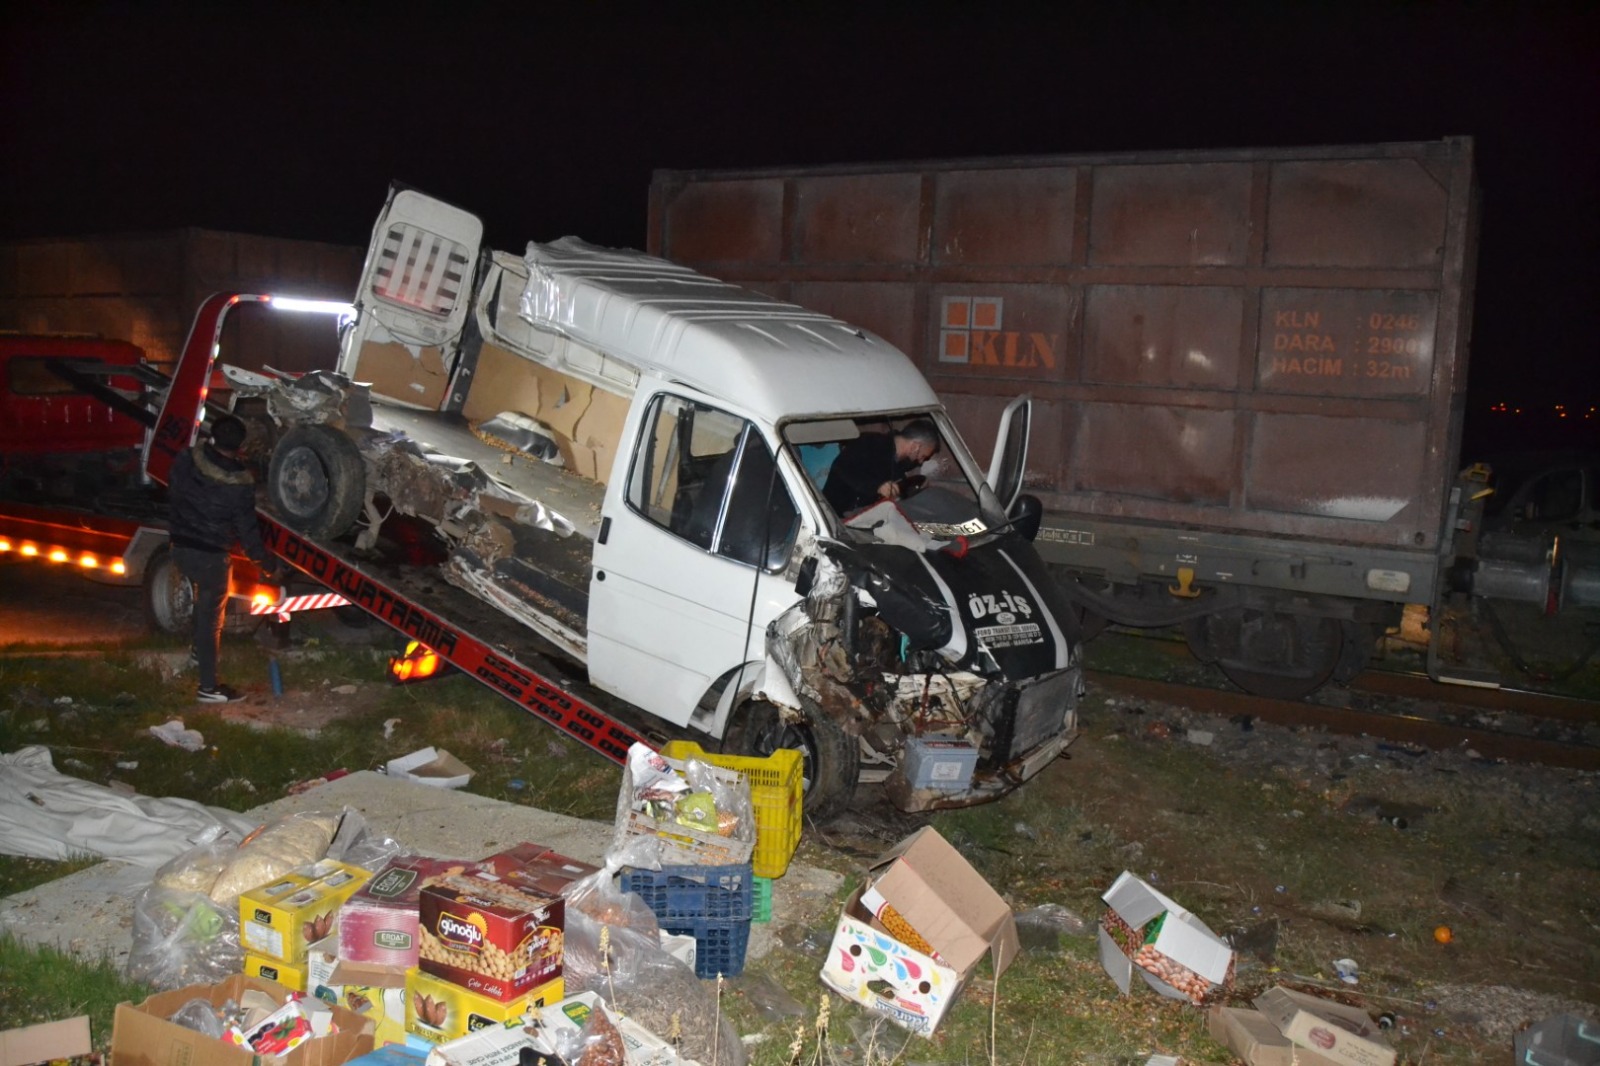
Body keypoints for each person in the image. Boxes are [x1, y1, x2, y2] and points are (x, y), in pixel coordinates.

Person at [167, 414, 278, 702]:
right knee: (210, 619)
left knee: (202, 608)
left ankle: (198, 654)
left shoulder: (186, 459)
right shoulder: (240, 483)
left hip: (179, 547)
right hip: (211, 557)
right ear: (240, 446)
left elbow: (175, 487)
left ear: (212, 436)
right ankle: (208, 688)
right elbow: (247, 531)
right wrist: (266, 563)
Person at [821, 418, 941, 515]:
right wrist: (877, 486)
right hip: (834, 514)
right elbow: (843, 468)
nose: (920, 461)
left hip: (864, 518)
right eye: (923, 456)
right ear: (915, 446)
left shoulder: (902, 462)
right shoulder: (869, 443)